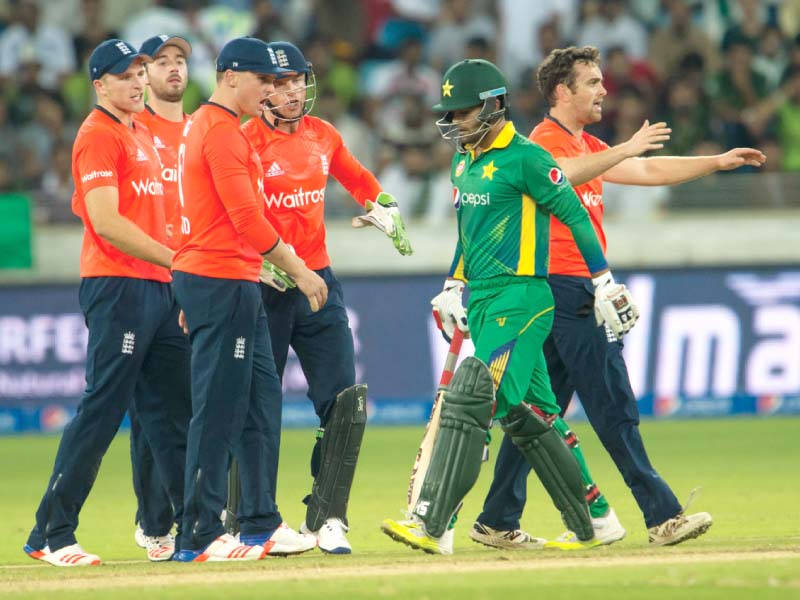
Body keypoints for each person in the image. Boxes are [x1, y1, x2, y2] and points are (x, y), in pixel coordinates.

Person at [474, 45, 765, 549]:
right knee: (612, 402)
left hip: (560, 292)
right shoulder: (540, 143)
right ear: (562, 92)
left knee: (537, 414)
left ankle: (497, 518)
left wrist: (716, 161)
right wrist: (625, 149)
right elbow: (561, 177)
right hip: (563, 288)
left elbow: (648, 172)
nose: (604, 90)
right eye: (592, 82)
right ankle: (662, 515)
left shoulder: (585, 144)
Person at [381, 58, 639, 555]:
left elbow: (575, 216)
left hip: (523, 299)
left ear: (493, 105)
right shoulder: (464, 160)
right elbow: (468, 236)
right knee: (536, 412)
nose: (454, 121)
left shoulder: (526, 158)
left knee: (476, 401)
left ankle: (435, 522)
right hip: (483, 300)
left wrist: (604, 282)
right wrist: (453, 284)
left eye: (462, 112)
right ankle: (597, 518)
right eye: (450, 112)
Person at [239, 40, 412, 554]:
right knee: (255, 407)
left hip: (318, 285)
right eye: (281, 83)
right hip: (265, 288)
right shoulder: (245, 140)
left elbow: (360, 180)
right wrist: (259, 260)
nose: (293, 93)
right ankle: (246, 517)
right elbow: (235, 213)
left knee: (343, 404)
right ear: (263, 89)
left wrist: (385, 206)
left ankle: (328, 515)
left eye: (298, 81)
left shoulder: (323, 135)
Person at [23, 38, 190, 567]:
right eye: (128, 75)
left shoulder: (137, 131)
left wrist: (176, 270)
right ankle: (51, 533)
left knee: (171, 411)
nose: (141, 82)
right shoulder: (97, 135)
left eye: (143, 72)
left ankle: (196, 526)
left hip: (159, 286)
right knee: (103, 409)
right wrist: (176, 260)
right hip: (119, 286)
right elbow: (106, 222)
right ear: (100, 85)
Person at [170, 36, 327, 562]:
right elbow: (247, 220)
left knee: (259, 399)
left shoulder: (214, 127)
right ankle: (198, 533)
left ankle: (260, 522)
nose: (270, 92)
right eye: (263, 81)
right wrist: (302, 270)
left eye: (278, 83)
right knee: (218, 406)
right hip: (221, 279)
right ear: (231, 76)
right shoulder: (220, 132)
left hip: (230, 279)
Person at [127, 34, 194, 562]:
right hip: (145, 280)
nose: (173, 70)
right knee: (155, 407)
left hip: (200, 277)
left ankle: (177, 516)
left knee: (187, 405)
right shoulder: (130, 129)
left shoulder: (202, 131)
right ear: (140, 77)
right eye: (161, 62)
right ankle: (155, 522)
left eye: (180, 61)